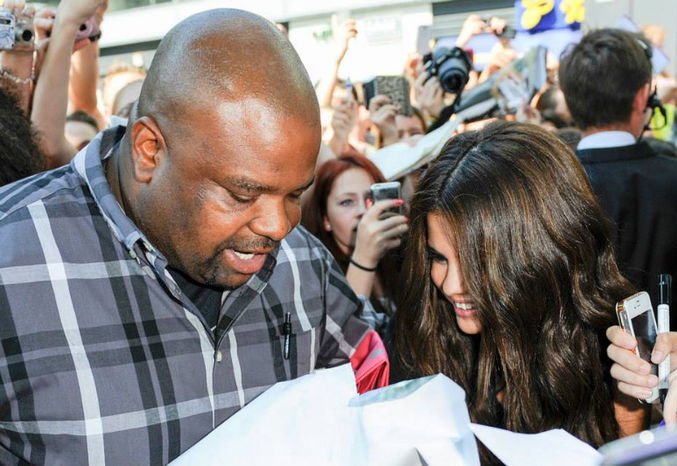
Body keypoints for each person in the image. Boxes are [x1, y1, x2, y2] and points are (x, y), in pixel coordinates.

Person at [0, 9, 370, 464]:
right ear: (149, 151)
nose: (278, 226)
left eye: (296, 193)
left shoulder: (305, 265)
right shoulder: (11, 262)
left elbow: (375, 399)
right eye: (242, 194)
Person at [393, 121, 644, 462]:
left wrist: (635, 405)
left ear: (538, 255)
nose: (451, 286)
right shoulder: (429, 335)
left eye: (476, 262)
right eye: (439, 258)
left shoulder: (609, 352)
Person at [559, 29, 677, 331]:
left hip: (568, 374)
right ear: (641, 98)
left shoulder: (547, 185)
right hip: (672, 370)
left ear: (570, 104)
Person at [302, 153, 408, 332]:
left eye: (370, 199)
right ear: (325, 218)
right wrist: (364, 258)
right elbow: (341, 338)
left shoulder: (400, 260)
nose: (362, 211)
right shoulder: (315, 277)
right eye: (347, 202)